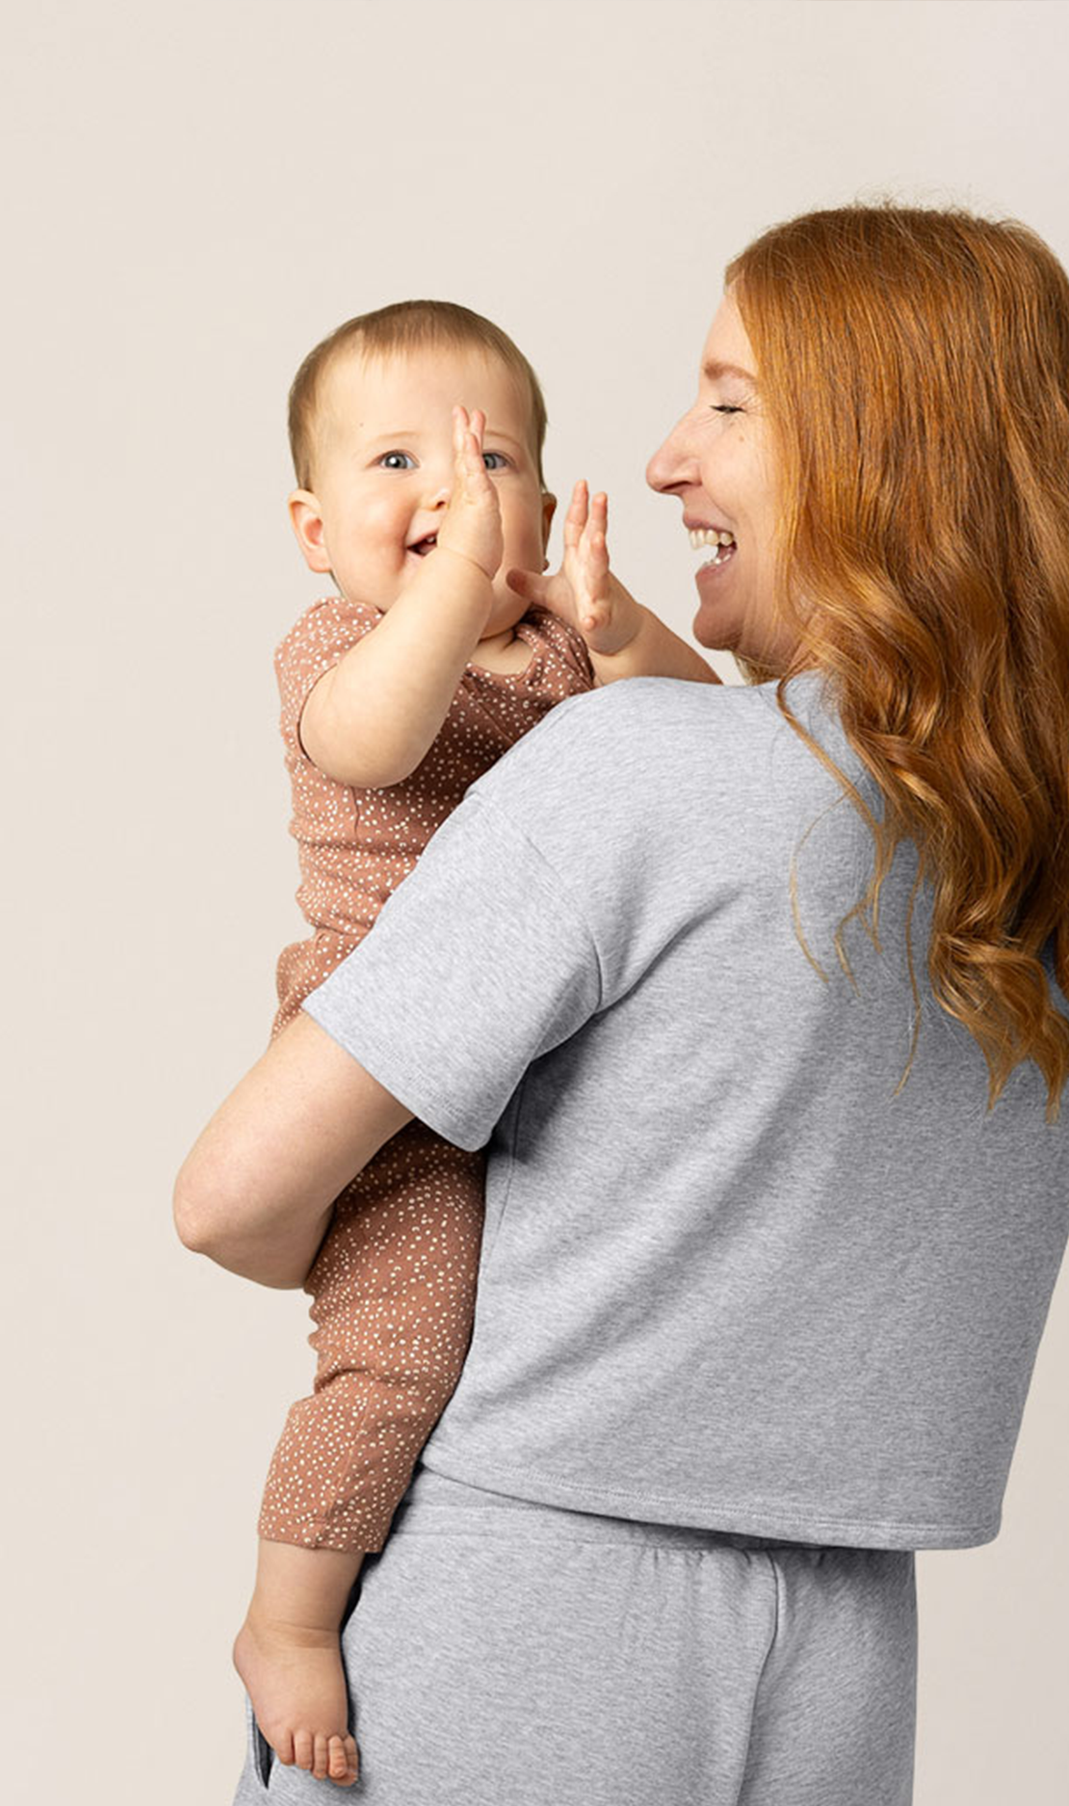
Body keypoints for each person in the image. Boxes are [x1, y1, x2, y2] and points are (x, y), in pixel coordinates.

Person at [176, 204, 1069, 1805]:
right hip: (847, 1656)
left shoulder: (635, 774)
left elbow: (230, 1201)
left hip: (522, 1615)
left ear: (879, 456)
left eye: (729, 402)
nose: (665, 459)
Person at [231, 298, 721, 1788]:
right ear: (316, 528)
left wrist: (619, 632)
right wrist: (453, 590)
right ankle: (287, 1616)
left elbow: (707, 751)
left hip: (546, 1061)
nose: (451, 485)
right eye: (402, 460)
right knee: (398, 1348)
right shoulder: (339, 645)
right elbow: (377, 739)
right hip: (386, 1066)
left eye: (491, 458)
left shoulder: (558, 651)